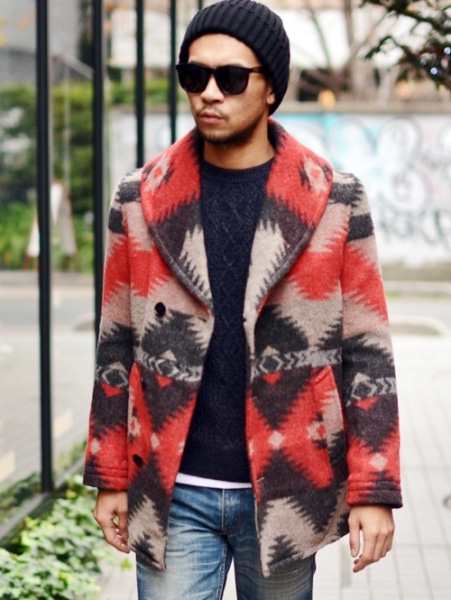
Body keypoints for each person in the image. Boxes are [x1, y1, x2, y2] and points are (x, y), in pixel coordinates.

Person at [83, 1, 402, 598]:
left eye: (230, 78)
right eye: (193, 75)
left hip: (287, 486)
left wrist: (374, 486)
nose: (209, 92)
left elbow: (368, 352)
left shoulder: (336, 200)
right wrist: (109, 473)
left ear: (271, 89)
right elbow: (115, 345)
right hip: (173, 489)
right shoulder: (138, 198)